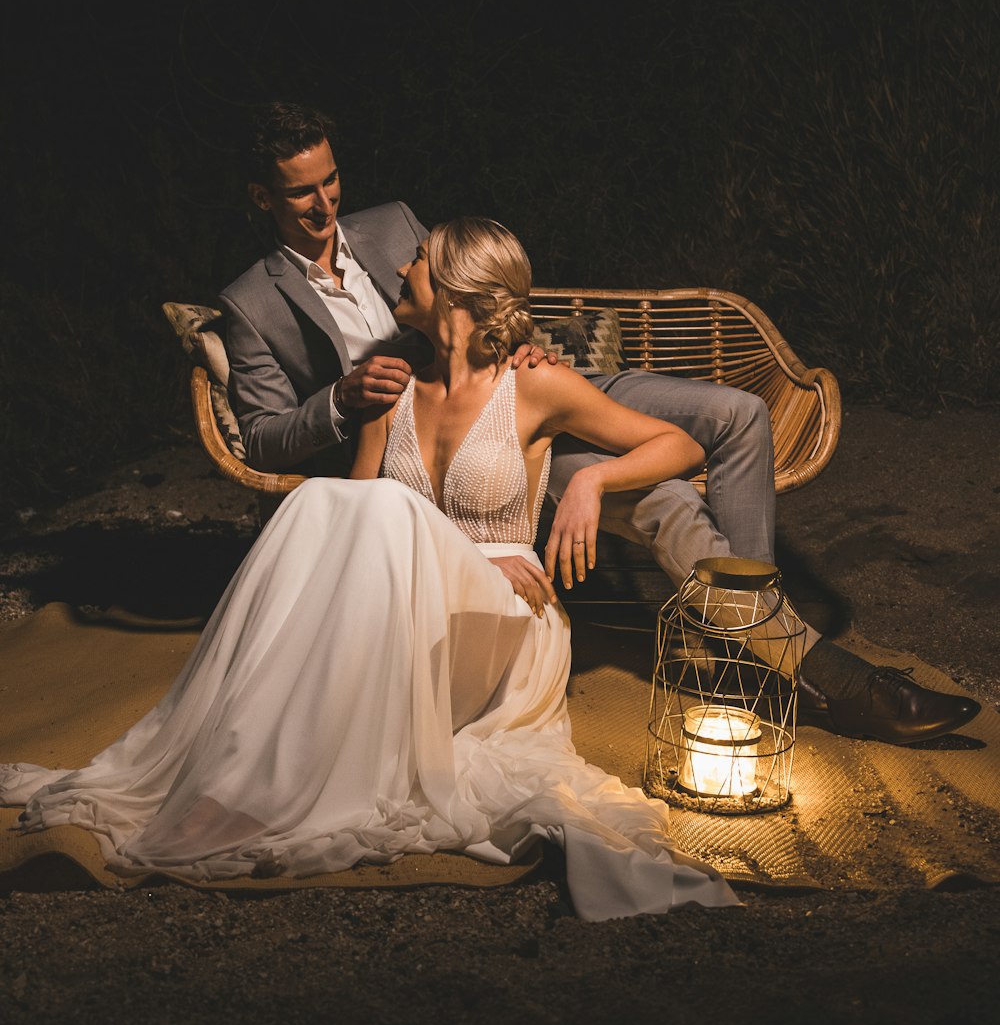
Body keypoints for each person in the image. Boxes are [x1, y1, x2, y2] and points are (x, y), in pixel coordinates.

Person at [0, 218, 744, 920]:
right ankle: (247, 775)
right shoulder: (392, 389)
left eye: (418, 259)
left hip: (505, 614)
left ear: (455, 289)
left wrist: (590, 483)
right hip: (411, 600)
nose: (398, 264)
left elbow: (680, 445)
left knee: (380, 514)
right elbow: (353, 519)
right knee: (321, 505)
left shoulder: (534, 384)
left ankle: (262, 774)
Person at [218, 101, 979, 747]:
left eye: (331, 182)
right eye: (299, 196)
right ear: (258, 198)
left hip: (511, 396)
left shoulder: (391, 228)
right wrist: (341, 402)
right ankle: (808, 670)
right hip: (422, 461)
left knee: (721, 428)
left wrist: (514, 354)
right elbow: (266, 439)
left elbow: (468, 278)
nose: (326, 207)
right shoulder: (255, 303)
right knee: (673, 503)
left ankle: (771, 663)